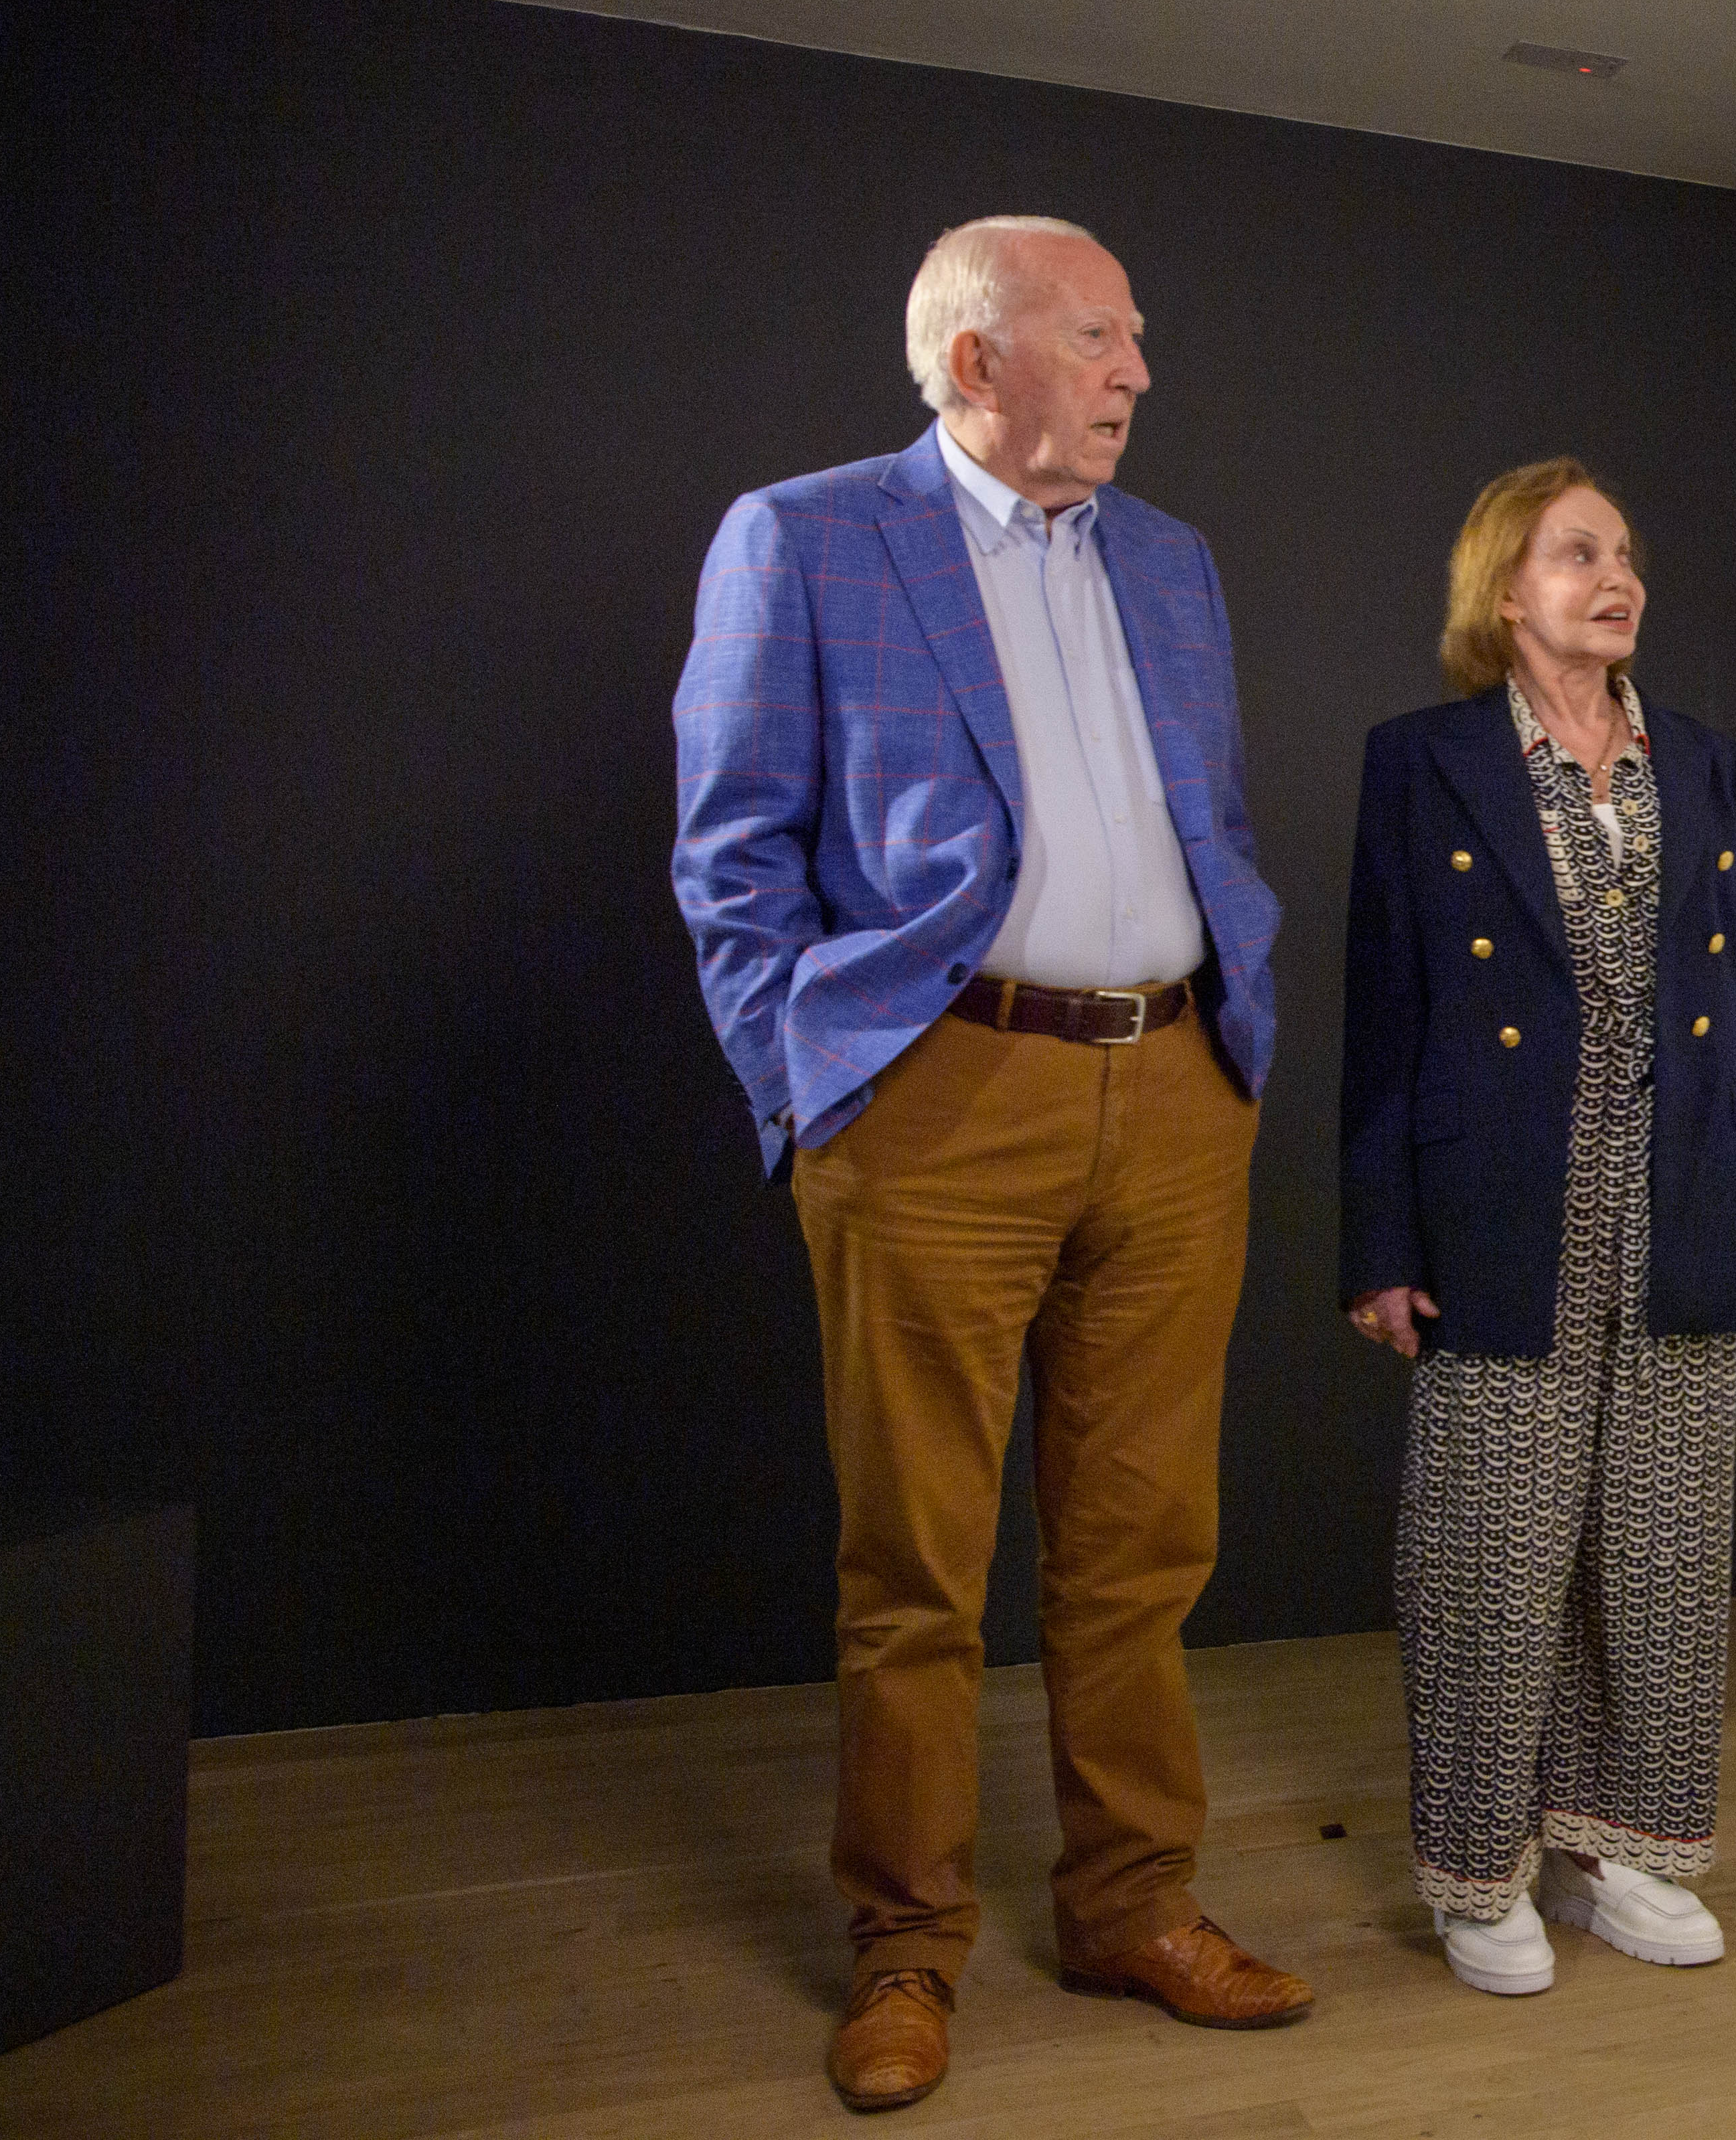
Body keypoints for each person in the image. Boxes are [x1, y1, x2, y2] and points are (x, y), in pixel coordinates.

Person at [672, 216, 1311, 2112]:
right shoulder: (803, 537)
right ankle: (907, 1948)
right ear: (976, 363)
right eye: (1101, 339)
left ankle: (1134, 1905)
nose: (1134, 375)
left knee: (1140, 1554)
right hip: (937, 1102)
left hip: (1176, 1093)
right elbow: (732, 855)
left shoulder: (1175, 564)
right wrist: (811, 1093)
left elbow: (1210, 809)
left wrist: (1229, 1030)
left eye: (1135, 342)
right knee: (918, 1568)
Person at [1338, 460, 1736, 1996]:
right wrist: (1378, 1242)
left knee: (1665, 1547)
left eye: (1627, 552)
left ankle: (1630, 1844)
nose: (1620, 576)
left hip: (1679, 1197)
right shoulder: (1423, 763)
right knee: (1490, 1550)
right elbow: (1384, 1017)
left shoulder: (1699, 759)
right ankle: (1482, 1870)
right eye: (1580, 552)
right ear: (1505, 591)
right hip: (1500, 1207)